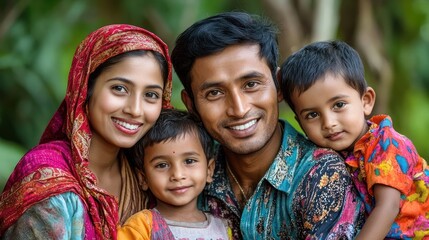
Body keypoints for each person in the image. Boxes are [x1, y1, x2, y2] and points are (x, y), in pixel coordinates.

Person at [171, 11, 365, 239]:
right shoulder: (185, 176)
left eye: (251, 84)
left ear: (279, 85)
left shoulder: (320, 175)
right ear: (191, 104)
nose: (239, 109)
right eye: (214, 93)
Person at [0, 24, 173, 239]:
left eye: (151, 95)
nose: (135, 110)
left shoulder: (151, 173)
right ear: (85, 90)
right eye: (119, 88)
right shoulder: (48, 182)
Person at [279, 40, 429, 239]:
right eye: (312, 115)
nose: (329, 123)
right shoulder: (323, 157)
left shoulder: (386, 143)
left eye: (339, 105)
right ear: (300, 122)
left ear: (366, 101)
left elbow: (388, 206)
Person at [117, 108, 232, 239]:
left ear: (209, 170)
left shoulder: (223, 227)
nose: (177, 175)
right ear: (143, 178)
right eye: (162, 165)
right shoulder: (142, 227)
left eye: (189, 161)